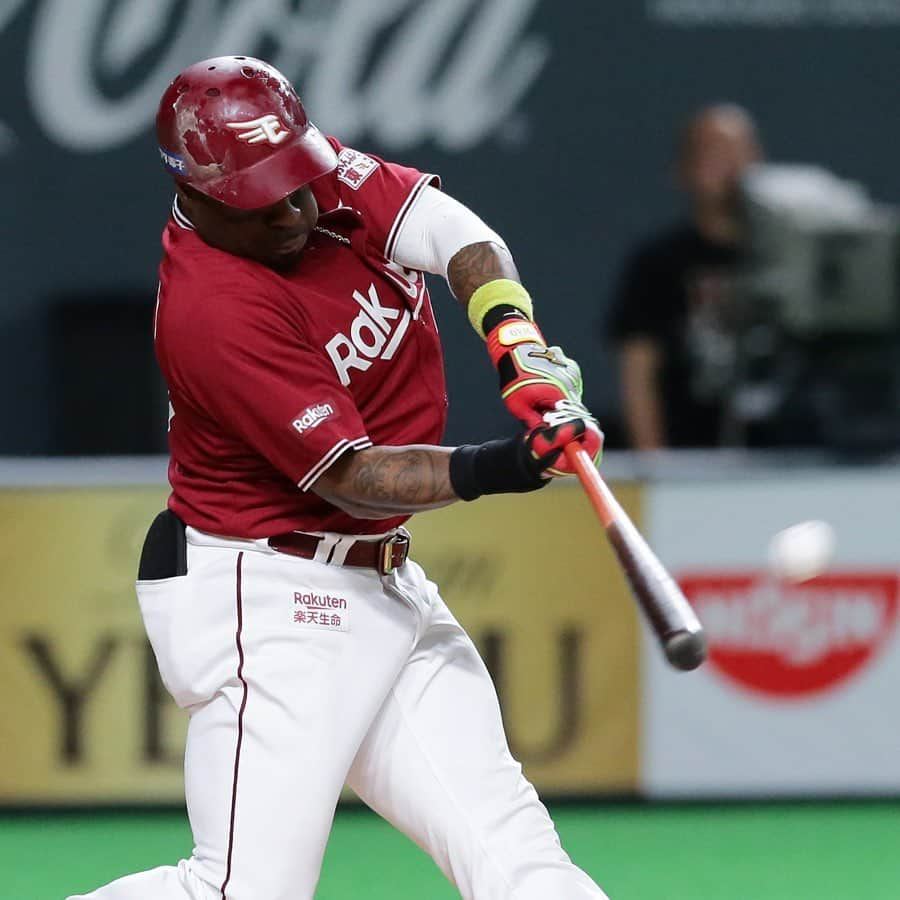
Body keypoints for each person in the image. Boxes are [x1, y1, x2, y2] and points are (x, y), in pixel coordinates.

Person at [68, 57, 606, 900]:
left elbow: (450, 228)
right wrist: (511, 462)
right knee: (239, 892)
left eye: (300, 179)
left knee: (517, 861)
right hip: (268, 593)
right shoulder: (214, 312)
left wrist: (513, 337)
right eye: (266, 198)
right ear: (198, 194)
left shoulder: (297, 170)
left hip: (381, 583)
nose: (299, 209)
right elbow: (354, 477)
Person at [608, 104, 763, 450]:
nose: (732, 167)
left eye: (742, 152)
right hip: (688, 457)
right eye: (715, 153)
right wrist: (654, 466)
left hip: (786, 461)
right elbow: (638, 373)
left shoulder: (788, 259)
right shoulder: (658, 263)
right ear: (683, 170)